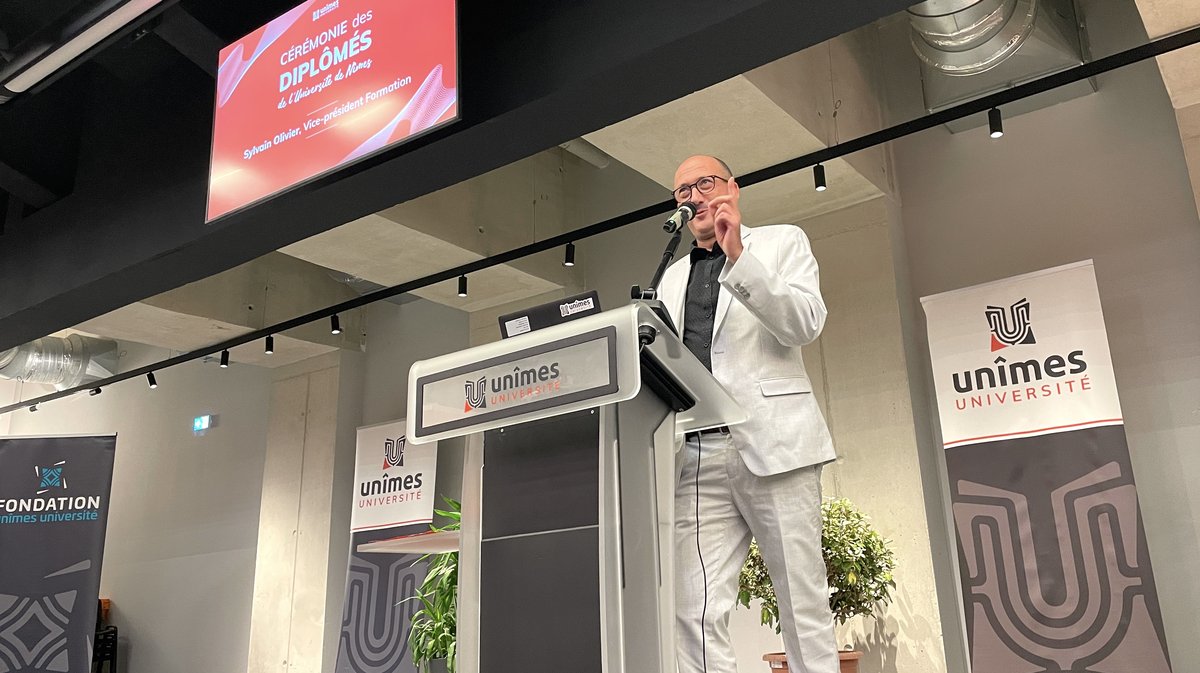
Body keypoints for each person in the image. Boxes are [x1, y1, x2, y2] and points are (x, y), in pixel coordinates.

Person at [658, 155, 837, 673]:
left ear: (733, 189)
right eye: (682, 190)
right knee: (693, 610)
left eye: (704, 183)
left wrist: (737, 255)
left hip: (774, 444)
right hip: (694, 454)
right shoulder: (670, 278)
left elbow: (804, 324)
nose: (693, 195)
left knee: (802, 602)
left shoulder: (782, 242)